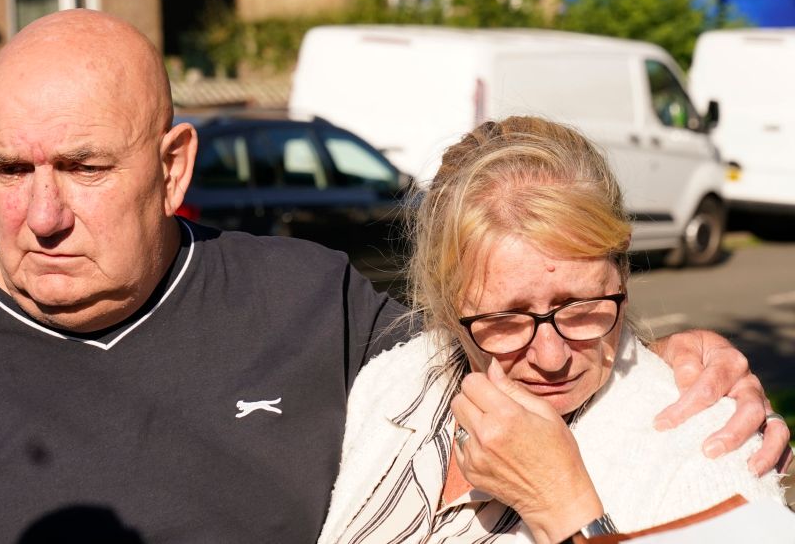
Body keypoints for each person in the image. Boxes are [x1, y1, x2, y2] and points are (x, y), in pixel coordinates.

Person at [0, 11, 786, 543]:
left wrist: (670, 352)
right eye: (8, 170)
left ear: (173, 168)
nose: (40, 215)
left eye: (84, 168)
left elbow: (517, 331)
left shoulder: (311, 303)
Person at [318, 116, 787, 544]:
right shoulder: (392, 385)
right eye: (505, 320)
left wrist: (564, 509)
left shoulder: (707, 449)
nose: (551, 356)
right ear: (445, 307)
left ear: (622, 272)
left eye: (581, 307)